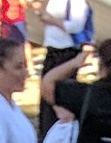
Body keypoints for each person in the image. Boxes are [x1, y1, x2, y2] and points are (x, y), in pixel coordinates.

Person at [37, 0, 93, 133]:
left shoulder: (77, 3)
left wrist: (52, 20)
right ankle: (45, 128)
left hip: (67, 50)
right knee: (45, 91)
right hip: (52, 48)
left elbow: (76, 26)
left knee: (61, 93)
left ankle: (61, 129)